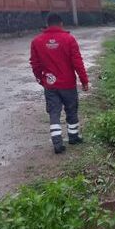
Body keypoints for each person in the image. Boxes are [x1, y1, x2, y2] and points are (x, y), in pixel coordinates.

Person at [30, 12, 89, 154]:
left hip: (50, 84)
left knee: (54, 112)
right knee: (71, 110)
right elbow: (77, 62)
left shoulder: (37, 41)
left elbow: (35, 64)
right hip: (68, 84)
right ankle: (73, 137)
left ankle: (57, 143)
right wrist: (84, 80)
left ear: (47, 24)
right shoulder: (69, 39)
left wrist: (40, 79)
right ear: (61, 24)